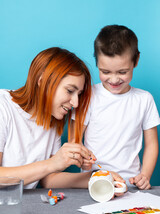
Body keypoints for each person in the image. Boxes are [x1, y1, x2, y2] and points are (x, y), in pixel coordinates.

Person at [0, 47, 125, 191]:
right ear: (42, 82)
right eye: (70, 91)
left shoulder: (52, 120)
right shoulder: (3, 106)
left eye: (78, 94)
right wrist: (53, 163)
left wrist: (97, 177)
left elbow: (49, 180)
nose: (76, 103)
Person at [71, 25, 160, 190]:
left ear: (136, 61)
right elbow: (74, 139)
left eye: (122, 72)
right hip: (93, 183)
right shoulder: (88, 95)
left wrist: (145, 175)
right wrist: (80, 157)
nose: (113, 79)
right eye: (105, 71)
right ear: (97, 63)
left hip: (129, 184)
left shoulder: (144, 99)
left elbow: (152, 144)